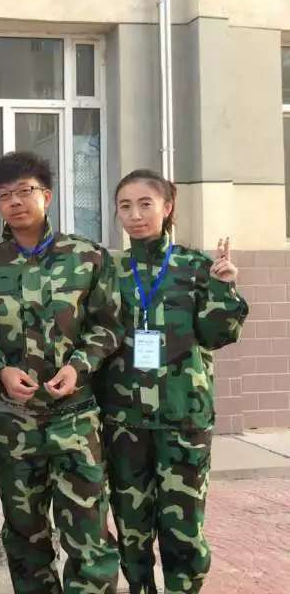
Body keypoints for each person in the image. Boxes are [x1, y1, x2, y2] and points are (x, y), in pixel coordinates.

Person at [0, 151, 123, 594]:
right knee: (25, 536)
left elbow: (109, 325)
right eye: (4, 195)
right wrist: (0, 370)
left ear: (46, 196)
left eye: (25, 191)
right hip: (14, 422)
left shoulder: (87, 257)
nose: (15, 201)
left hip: (76, 418)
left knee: (88, 536)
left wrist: (78, 366)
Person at [99, 169, 248, 594]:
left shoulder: (196, 267)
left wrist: (223, 288)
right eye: (125, 206)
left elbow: (217, 336)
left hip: (183, 418)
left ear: (167, 207)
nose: (135, 215)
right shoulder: (109, 271)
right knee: (132, 527)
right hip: (125, 422)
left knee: (183, 529)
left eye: (145, 204)